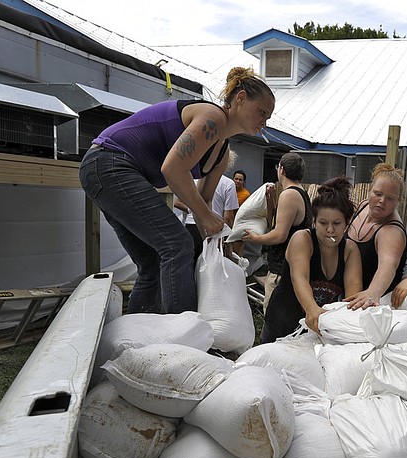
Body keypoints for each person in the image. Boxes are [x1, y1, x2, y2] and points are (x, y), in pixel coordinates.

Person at [79, 66, 274, 314]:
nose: (264, 122)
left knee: (152, 260)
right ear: (241, 98)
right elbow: (172, 170)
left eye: (268, 117)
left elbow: (202, 202)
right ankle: (182, 337)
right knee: (177, 244)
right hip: (108, 163)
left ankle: (135, 338)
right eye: (262, 112)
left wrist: (217, 242)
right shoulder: (212, 117)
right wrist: (205, 216)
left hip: (111, 172)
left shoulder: (222, 155)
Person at [261, 177, 362, 343]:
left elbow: (352, 297)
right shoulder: (302, 239)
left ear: (346, 223)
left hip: (317, 329)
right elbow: (299, 278)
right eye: (323, 223)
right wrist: (311, 308)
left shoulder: (350, 251)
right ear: (314, 222)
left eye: (337, 223)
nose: (330, 230)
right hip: (283, 322)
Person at [242, 152, 312, 311]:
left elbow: (280, 235)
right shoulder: (299, 192)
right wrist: (270, 201)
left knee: (274, 319)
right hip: (289, 268)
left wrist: (256, 238)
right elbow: (275, 224)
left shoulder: (289, 194)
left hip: (282, 270)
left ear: (282, 170)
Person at [344, 162, 407, 310]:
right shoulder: (363, 206)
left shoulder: (392, 231)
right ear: (369, 190)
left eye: (390, 198)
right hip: (347, 292)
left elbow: (388, 264)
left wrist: (372, 292)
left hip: (375, 305)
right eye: (377, 194)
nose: (382, 201)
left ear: (398, 201)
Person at [174, 174, 239, 263]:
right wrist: (227, 239)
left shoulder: (191, 179)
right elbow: (228, 218)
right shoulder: (228, 183)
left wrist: (193, 210)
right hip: (215, 229)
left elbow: (177, 202)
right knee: (213, 264)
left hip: (193, 226)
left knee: (192, 262)